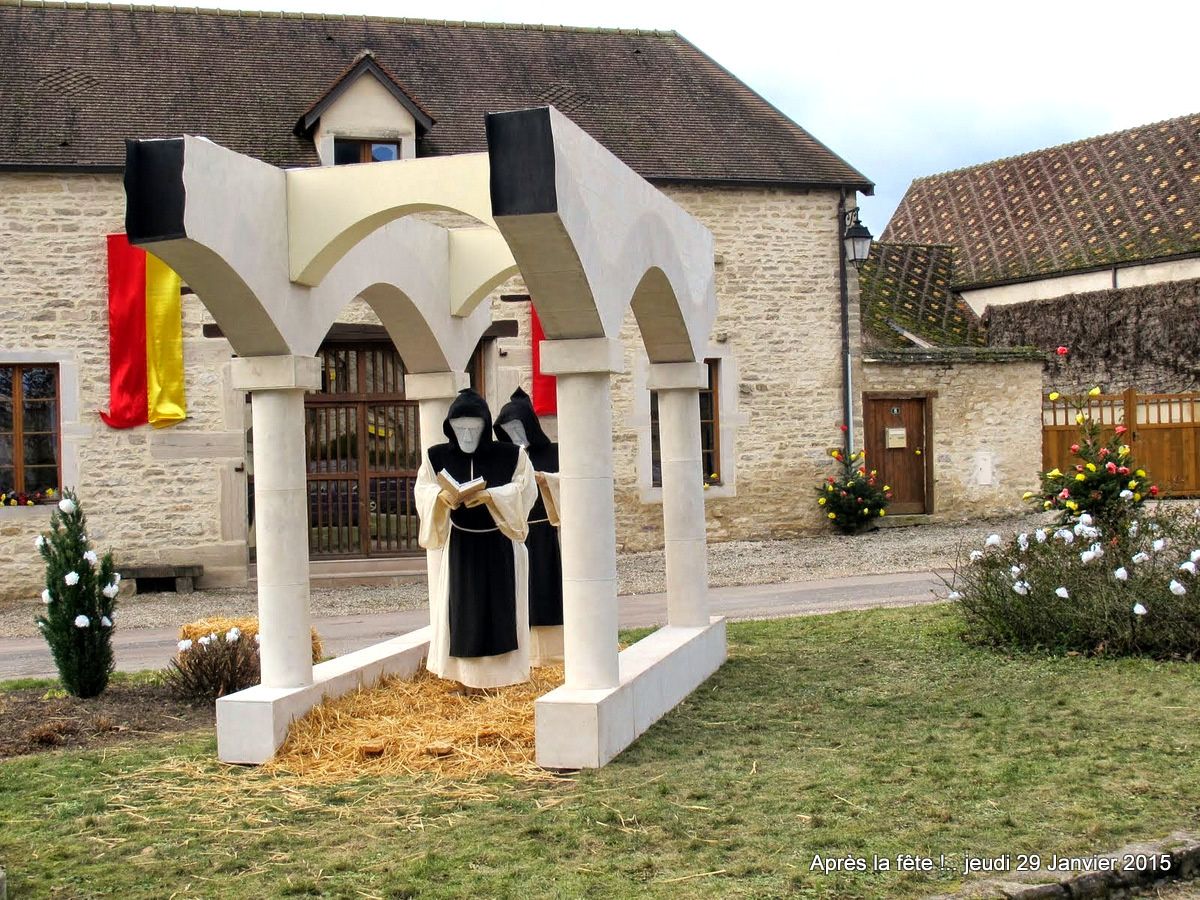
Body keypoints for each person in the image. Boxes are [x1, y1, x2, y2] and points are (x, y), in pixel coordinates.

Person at [415, 388, 537, 688]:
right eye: (460, 428)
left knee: (501, 611)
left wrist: (491, 496)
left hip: (500, 543)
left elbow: (525, 489)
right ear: (450, 427)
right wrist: (440, 497)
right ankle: (464, 679)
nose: (467, 435)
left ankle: (503, 678)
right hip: (461, 546)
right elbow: (423, 489)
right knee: (462, 611)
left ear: (485, 426)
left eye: (474, 428)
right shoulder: (436, 456)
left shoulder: (510, 455)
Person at [493, 387, 563, 665]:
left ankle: (552, 653)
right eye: (508, 430)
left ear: (530, 427)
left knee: (546, 589)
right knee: (519, 592)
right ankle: (522, 652)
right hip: (515, 533)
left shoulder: (553, 452)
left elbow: (571, 481)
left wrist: (546, 480)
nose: (514, 435)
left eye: (518, 428)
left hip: (546, 532)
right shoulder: (506, 458)